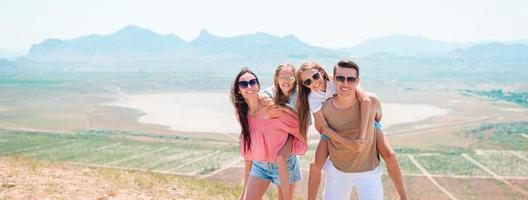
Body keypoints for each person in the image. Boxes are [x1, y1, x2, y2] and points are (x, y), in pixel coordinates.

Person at [297, 61, 408, 200]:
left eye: (315, 76)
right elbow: (323, 127)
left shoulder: (334, 79)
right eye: (307, 81)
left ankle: (403, 196)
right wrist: (348, 143)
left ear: (322, 72)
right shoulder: (314, 98)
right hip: (330, 131)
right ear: (304, 85)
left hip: (367, 125)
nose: (313, 82)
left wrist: (362, 136)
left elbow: (367, 101)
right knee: (314, 165)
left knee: (390, 155)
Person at [231, 68, 307, 200]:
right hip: (260, 165)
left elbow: (298, 125)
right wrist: (243, 192)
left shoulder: (271, 109)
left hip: (285, 165)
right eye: (244, 84)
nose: (249, 86)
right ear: (239, 89)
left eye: (252, 82)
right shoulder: (241, 113)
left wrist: (286, 149)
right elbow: (249, 150)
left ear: (258, 85)